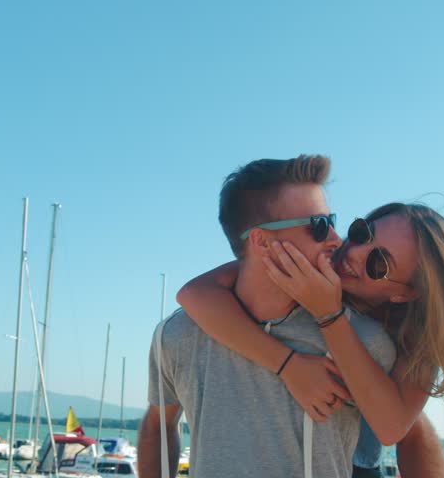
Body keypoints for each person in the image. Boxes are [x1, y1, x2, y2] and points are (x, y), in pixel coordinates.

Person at [177, 201, 444, 477]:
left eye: (379, 263)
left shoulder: (415, 337)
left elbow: (395, 426)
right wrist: (288, 365)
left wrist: (328, 315)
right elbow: (194, 293)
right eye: (362, 233)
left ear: (406, 295)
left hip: (356, 464)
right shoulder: (313, 261)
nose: (355, 253)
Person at [138, 154, 397, 478]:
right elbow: (158, 427)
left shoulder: (363, 341)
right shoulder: (178, 335)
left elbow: (409, 432)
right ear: (262, 241)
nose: (335, 238)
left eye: (332, 220)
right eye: (318, 226)